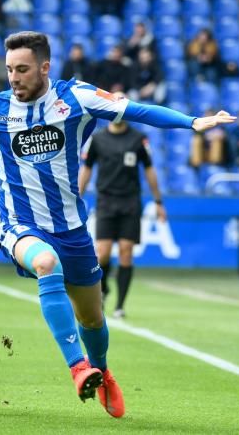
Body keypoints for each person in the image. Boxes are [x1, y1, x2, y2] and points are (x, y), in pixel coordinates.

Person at [0, 31, 235, 418]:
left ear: (45, 67)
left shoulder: (74, 98)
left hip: (73, 229)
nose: (14, 78)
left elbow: (136, 110)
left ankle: (102, 371)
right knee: (46, 263)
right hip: (20, 223)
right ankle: (78, 367)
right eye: (10, 70)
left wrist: (192, 122)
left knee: (93, 318)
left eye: (23, 69)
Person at [78, 96, 167, 319]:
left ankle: (119, 305)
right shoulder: (97, 139)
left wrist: (158, 202)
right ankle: (104, 289)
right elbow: (87, 169)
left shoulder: (139, 139)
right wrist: (76, 197)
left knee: (126, 252)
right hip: (106, 201)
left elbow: (149, 170)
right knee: (103, 254)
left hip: (130, 202)